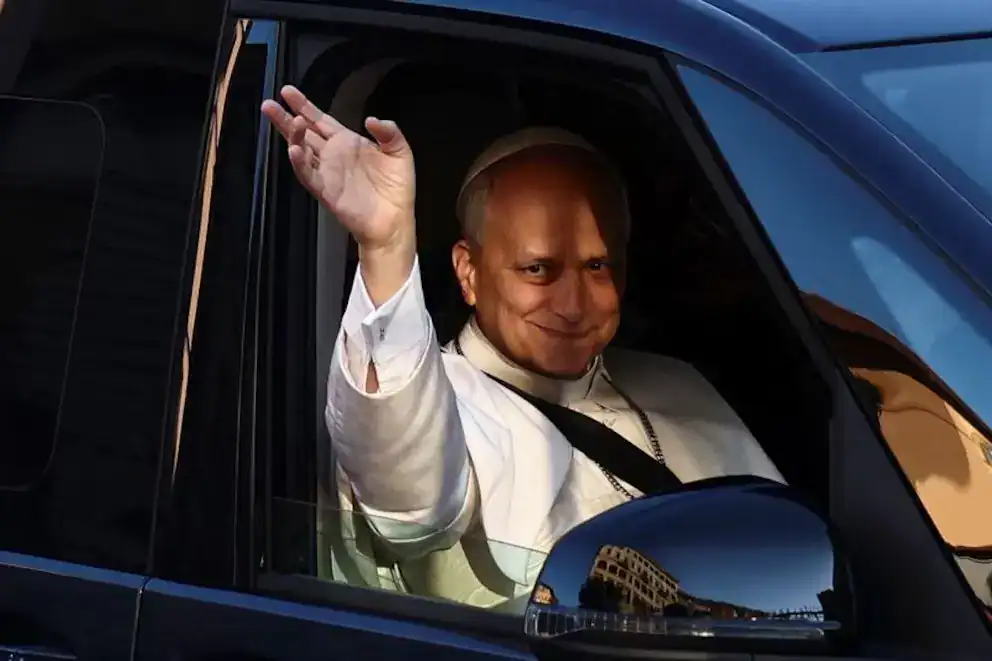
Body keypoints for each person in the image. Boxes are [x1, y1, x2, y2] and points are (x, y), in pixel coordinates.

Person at [261, 85, 782, 606]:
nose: (573, 305)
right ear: (468, 272)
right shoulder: (434, 396)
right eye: (538, 269)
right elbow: (409, 504)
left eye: (597, 266)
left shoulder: (676, 380)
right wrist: (387, 248)